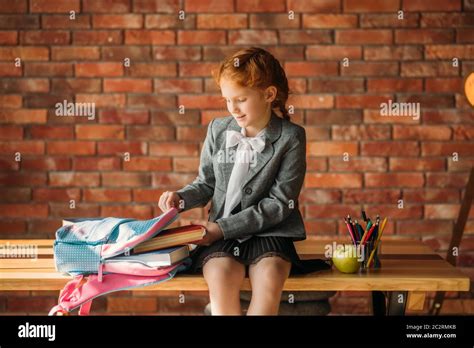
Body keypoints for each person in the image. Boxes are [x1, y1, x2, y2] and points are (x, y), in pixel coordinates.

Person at [158, 47, 330, 316]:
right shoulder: (218, 129)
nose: (233, 108)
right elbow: (206, 183)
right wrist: (180, 198)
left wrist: (221, 228)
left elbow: (280, 204)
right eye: (227, 100)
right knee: (220, 277)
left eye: (240, 99)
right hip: (221, 237)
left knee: (270, 277)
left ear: (269, 94)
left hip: (271, 233)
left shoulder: (291, 137)